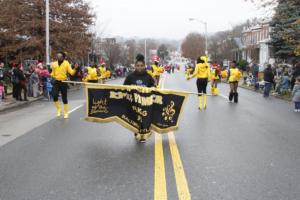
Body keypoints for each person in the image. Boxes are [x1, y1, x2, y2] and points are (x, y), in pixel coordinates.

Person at [124, 54, 156, 143]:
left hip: (145, 102)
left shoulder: (148, 76)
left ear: (144, 66)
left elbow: (153, 87)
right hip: (133, 102)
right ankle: (136, 131)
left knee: (144, 118)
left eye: (141, 66)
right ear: (135, 66)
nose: (140, 67)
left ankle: (143, 136)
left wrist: (152, 88)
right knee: (135, 119)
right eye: (138, 66)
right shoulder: (130, 77)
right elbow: (123, 87)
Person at [51, 51, 76, 119]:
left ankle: (66, 112)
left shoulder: (66, 63)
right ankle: (59, 109)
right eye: (57, 56)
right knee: (55, 96)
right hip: (56, 82)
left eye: (60, 56)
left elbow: (71, 73)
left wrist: (75, 69)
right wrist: (51, 76)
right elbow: (53, 73)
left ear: (63, 57)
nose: (58, 57)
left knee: (64, 98)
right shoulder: (54, 64)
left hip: (63, 82)